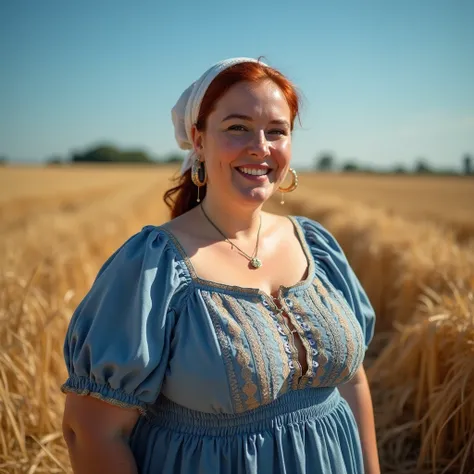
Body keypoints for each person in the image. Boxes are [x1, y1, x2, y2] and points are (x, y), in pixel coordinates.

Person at [61, 57, 380, 474]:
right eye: (237, 127)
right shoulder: (155, 267)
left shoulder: (317, 246)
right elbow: (91, 432)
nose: (260, 147)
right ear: (198, 140)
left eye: (277, 131)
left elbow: (352, 382)